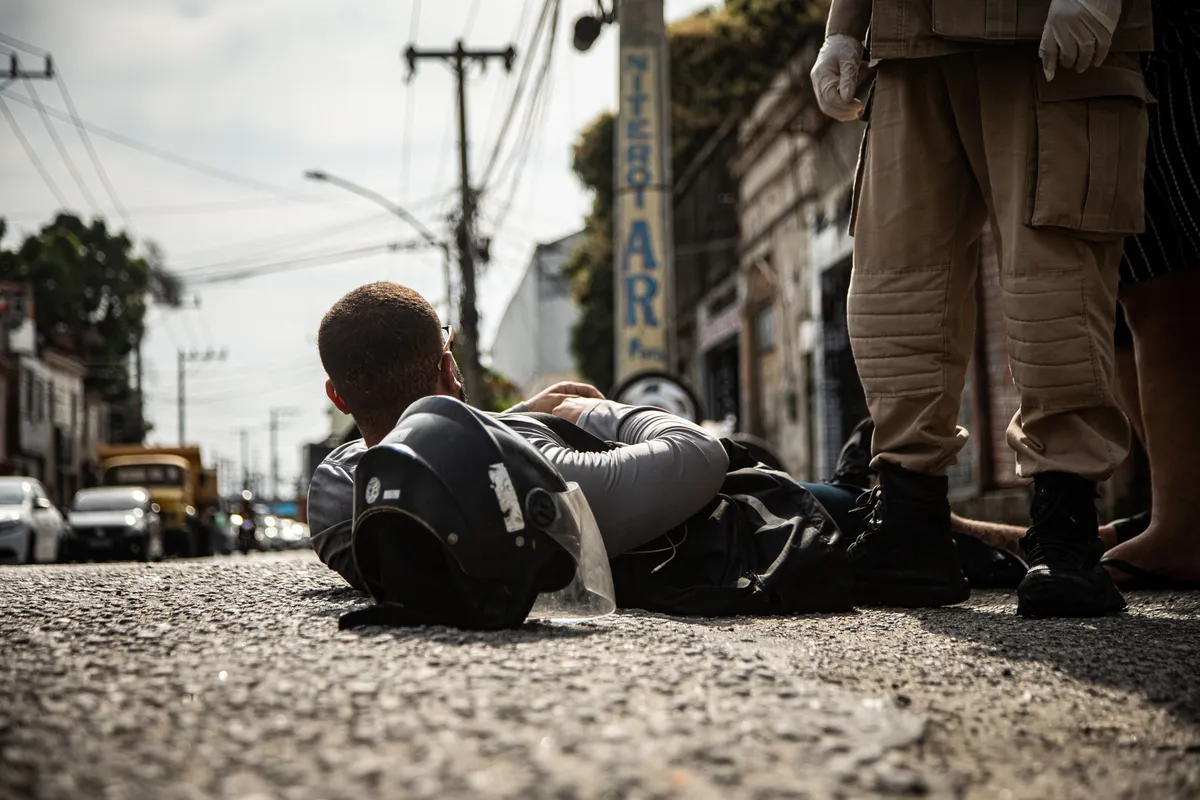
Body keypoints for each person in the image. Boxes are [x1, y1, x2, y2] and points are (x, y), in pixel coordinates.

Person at [307, 282, 1024, 614]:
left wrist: (521, 413)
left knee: (852, 481)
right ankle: (1066, 542)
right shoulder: (527, 470)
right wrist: (598, 412)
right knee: (870, 499)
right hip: (766, 526)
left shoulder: (339, 500)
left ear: (339, 398)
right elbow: (695, 457)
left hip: (743, 513)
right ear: (449, 369)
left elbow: (419, 448)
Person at [810, 0, 1154, 617]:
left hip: (1038, 30)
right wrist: (842, 27)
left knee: (1054, 286)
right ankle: (912, 524)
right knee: (896, 290)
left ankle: (1065, 527)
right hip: (905, 40)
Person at [1095, 1, 1200, 591]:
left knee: (1160, 279)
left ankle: (1183, 525)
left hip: (1165, 34)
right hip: (1129, 48)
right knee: (1146, 281)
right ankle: (1182, 516)